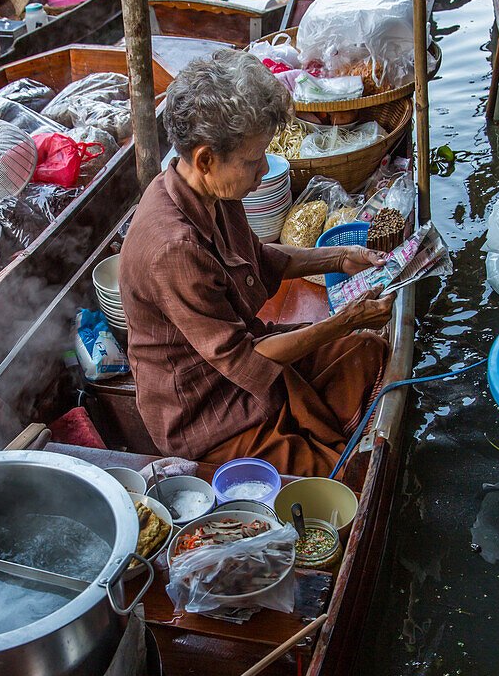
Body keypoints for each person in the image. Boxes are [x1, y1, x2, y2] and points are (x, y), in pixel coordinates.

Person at [119, 52, 394, 479]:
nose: (264, 170)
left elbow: (258, 258)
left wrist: (340, 256)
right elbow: (246, 358)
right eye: (253, 160)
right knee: (345, 478)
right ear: (206, 159)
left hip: (247, 357)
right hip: (209, 409)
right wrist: (345, 319)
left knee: (370, 351)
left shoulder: (214, 193)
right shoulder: (174, 248)